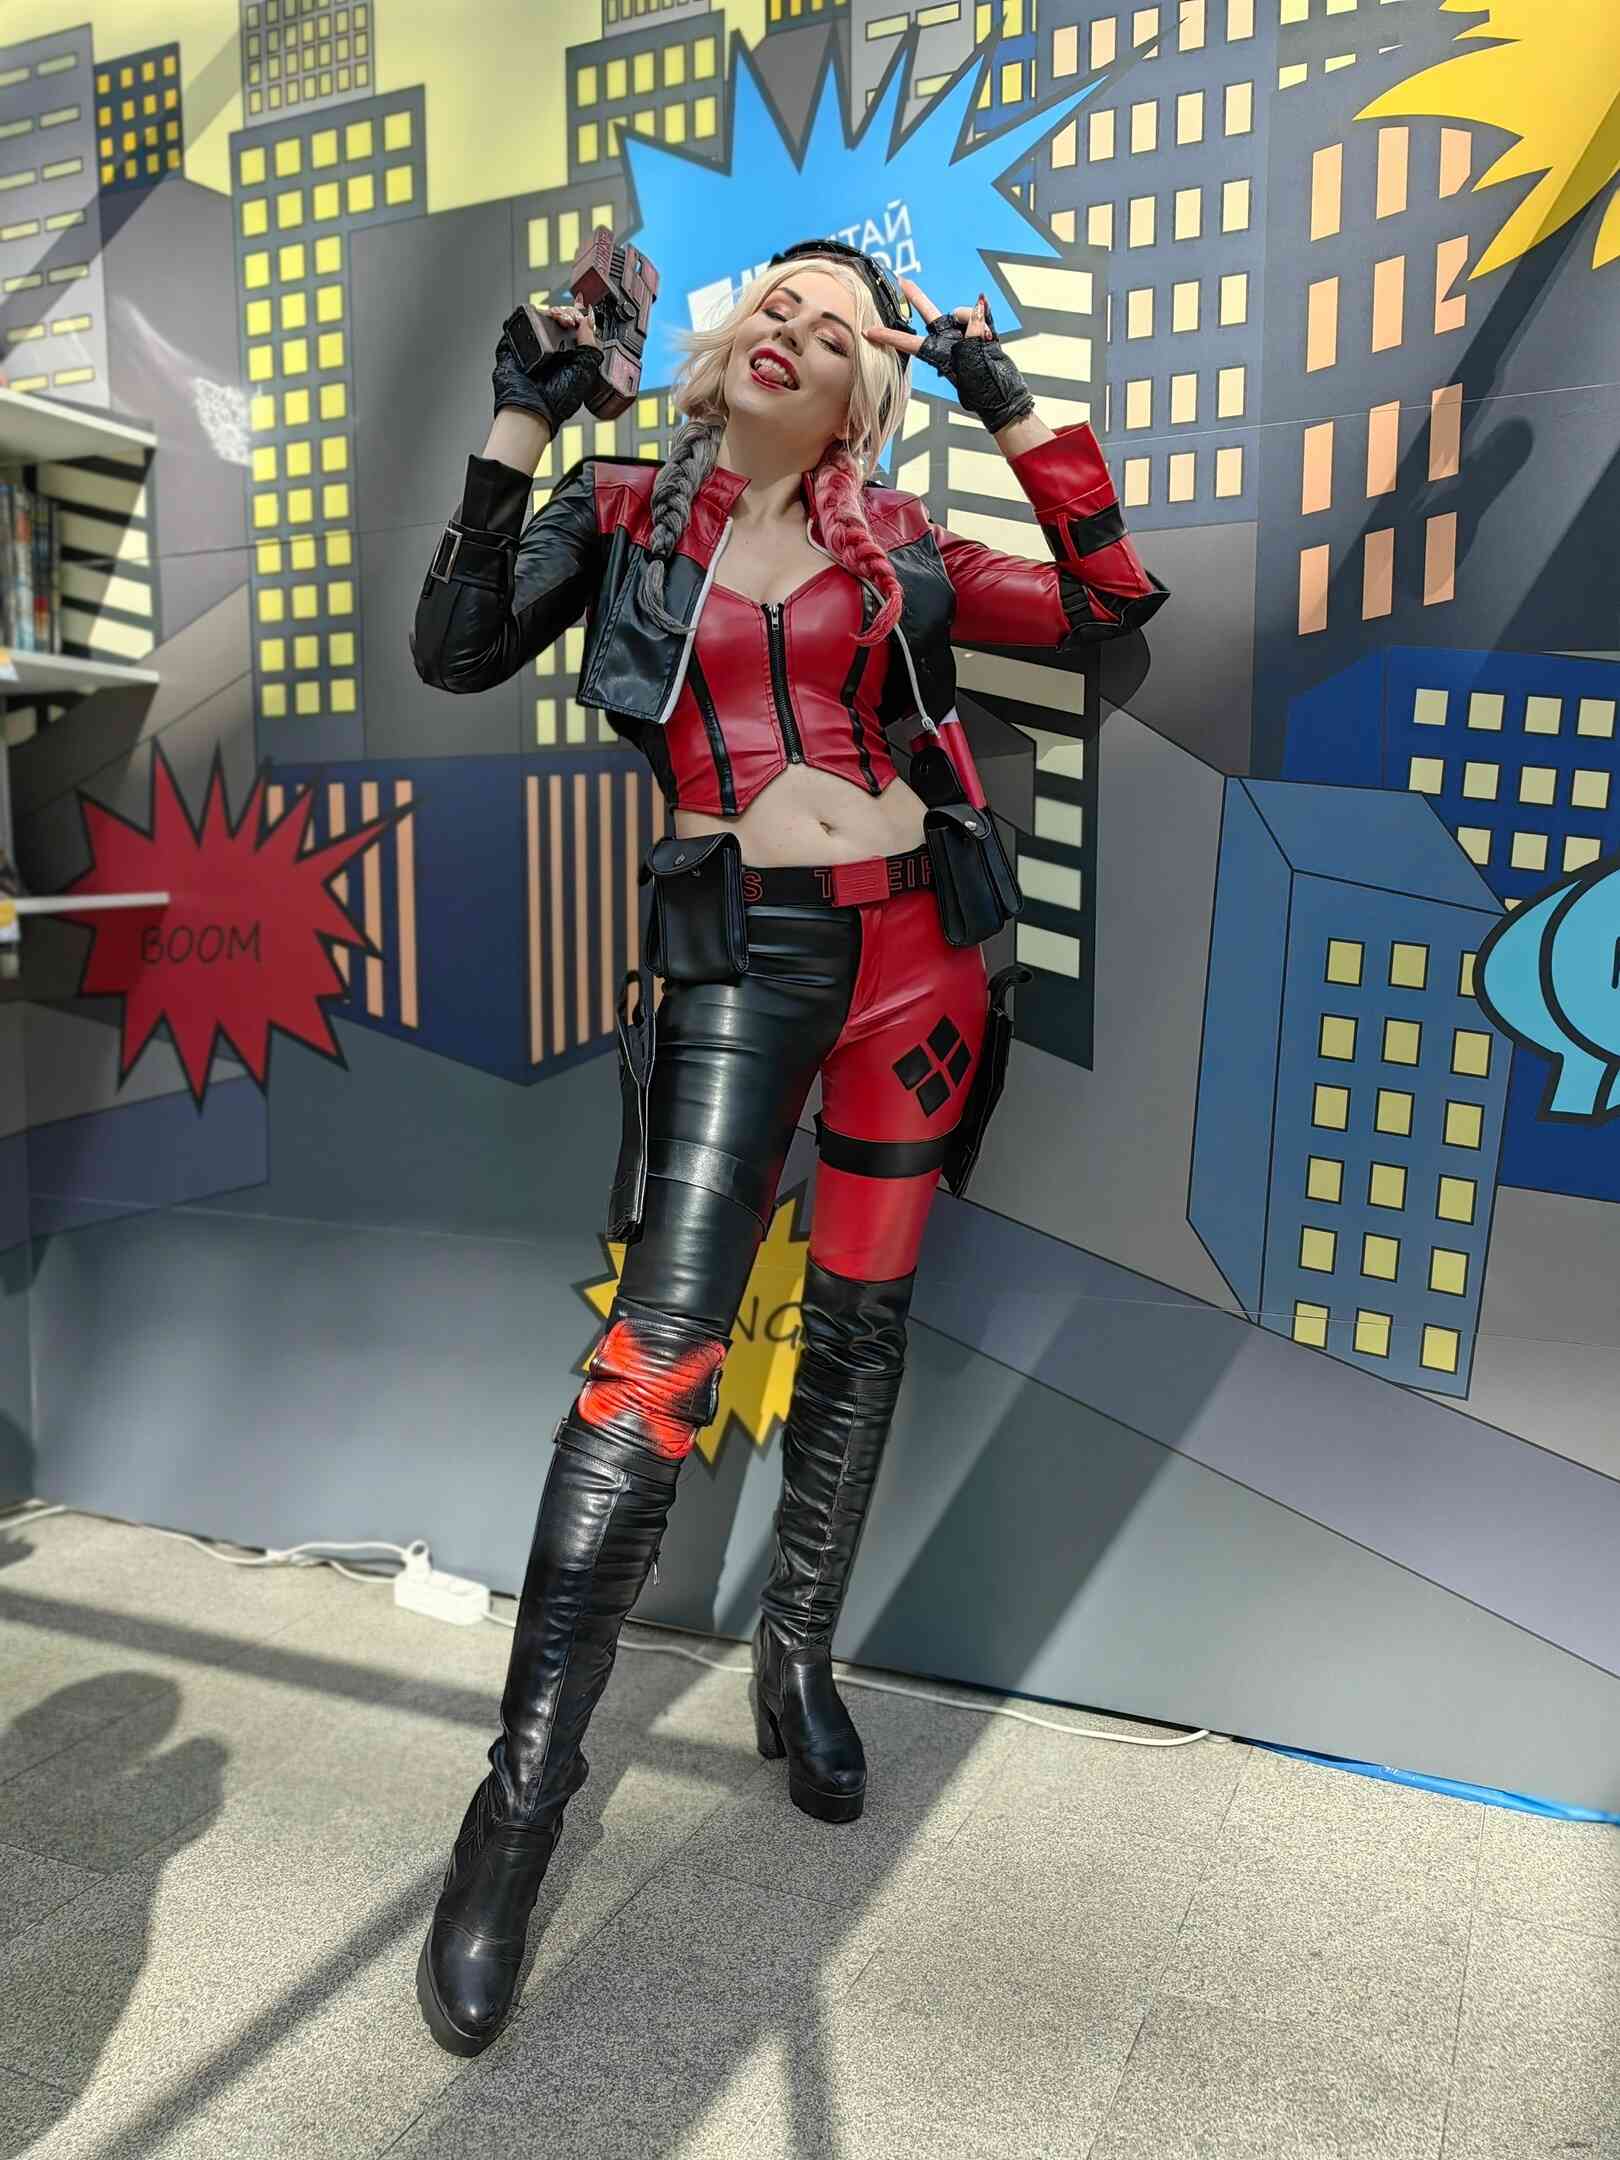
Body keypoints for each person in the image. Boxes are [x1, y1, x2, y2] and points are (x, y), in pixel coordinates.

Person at [408, 239, 1166, 2055]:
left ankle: (797, 1658)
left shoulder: (900, 543)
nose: (796, 333)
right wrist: (517, 419)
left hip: (922, 965)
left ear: (857, 397)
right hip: (737, 963)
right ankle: (519, 1807)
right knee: (657, 1360)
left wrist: (1004, 396)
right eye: (777, 306)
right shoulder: (623, 510)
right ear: (725, 339)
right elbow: (455, 649)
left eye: (835, 332)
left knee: (859, 1322)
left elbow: (1108, 601)